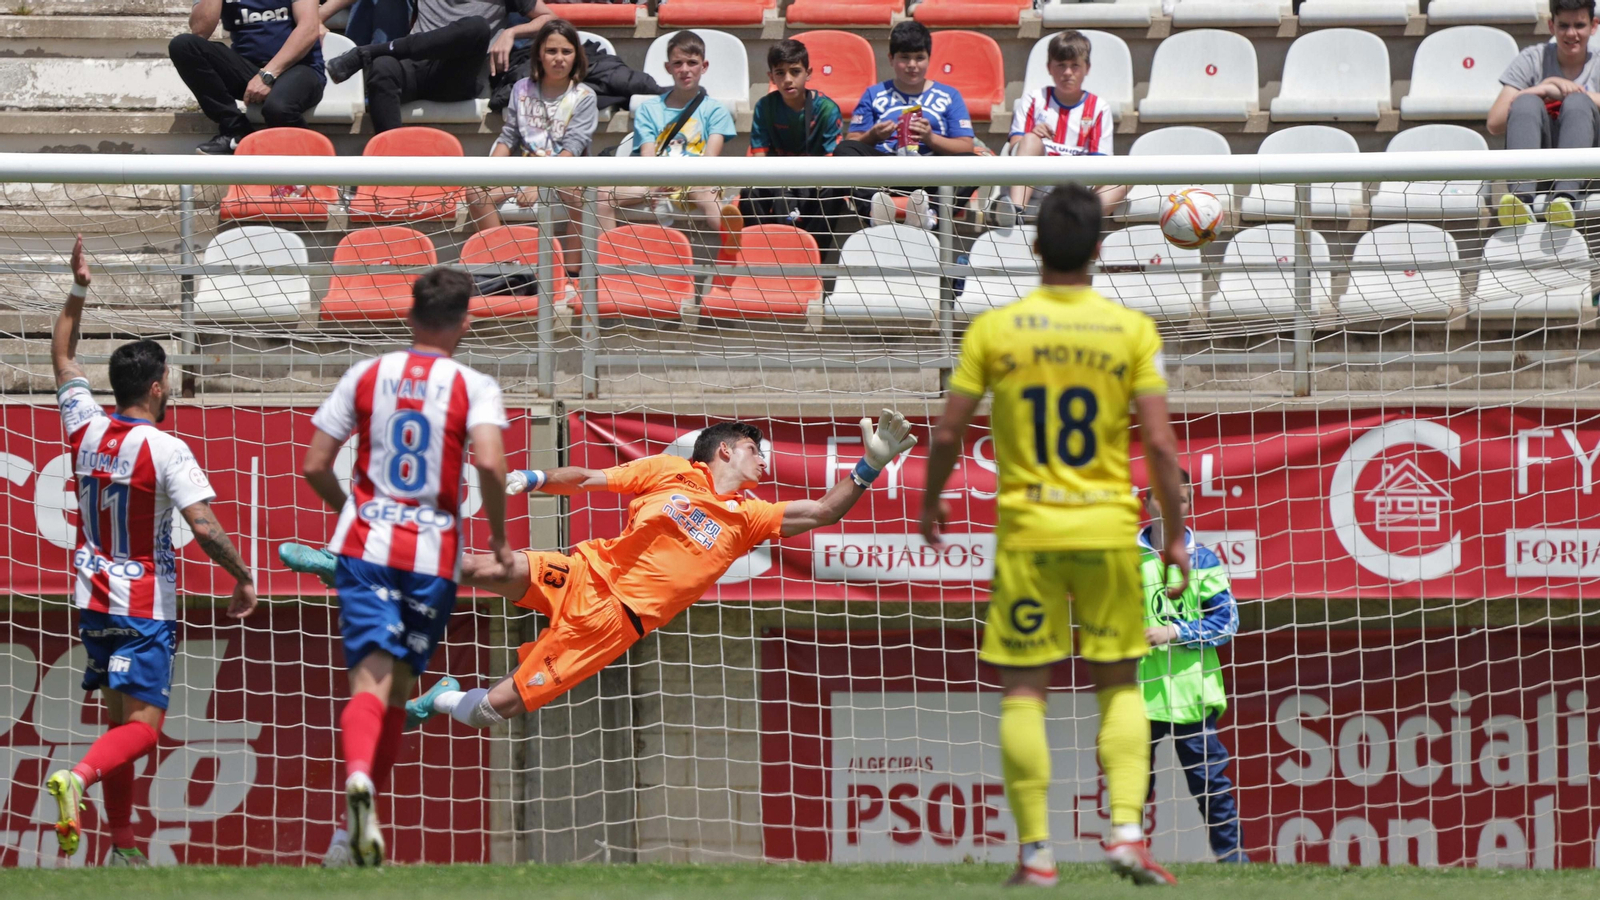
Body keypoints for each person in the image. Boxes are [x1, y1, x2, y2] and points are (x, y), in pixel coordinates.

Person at [281, 415, 917, 740]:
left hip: (615, 625)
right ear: (724, 450)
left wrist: (871, 464)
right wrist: (528, 478)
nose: (763, 458)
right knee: (479, 566)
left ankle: (436, 700)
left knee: (492, 709)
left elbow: (825, 509)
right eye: (755, 447)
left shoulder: (751, 518)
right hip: (586, 571)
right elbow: (583, 478)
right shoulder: (669, 474)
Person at [917, 184, 1188, 887]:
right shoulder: (1132, 332)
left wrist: (931, 500)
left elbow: (947, 431)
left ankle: (1037, 852)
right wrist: (1176, 538)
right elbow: (1160, 448)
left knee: (1024, 691)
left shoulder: (993, 330)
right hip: (1105, 531)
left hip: (1029, 533)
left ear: (1035, 247)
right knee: (1121, 683)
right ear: (1101, 249)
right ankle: (1125, 832)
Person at [282, 267, 514, 866]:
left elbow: (313, 465)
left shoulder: (367, 373)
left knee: (371, 685)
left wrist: (354, 513)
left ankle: (355, 791)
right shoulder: (475, 385)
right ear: (467, 320)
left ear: (409, 316)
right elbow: (490, 464)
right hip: (432, 558)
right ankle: (350, 831)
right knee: (399, 689)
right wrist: (497, 534)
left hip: (368, 549)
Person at [44, 237, 259, 866]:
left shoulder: (82, 423)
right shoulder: (166, 450)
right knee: (144, 729)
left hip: (92, 602)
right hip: (143, 606)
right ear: (161, 386)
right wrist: (242, 576)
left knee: (119, 726)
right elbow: (206, 525)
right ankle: (76, 780)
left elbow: (61, 354)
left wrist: (79, 288)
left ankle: (122, 846)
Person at [1138, 471, 1248, 864]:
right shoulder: (1125, 560)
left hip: (1192, 697)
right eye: (1163, 498)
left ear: (1189, 507)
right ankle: (1129, 861)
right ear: (1145, 501)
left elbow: (1227, 623)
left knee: (1211, 787)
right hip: (1138, 699)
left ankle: (1234, 862)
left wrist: (1175, 632)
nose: (1171, 507)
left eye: (1181, 500)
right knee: (1131, 787)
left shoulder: (1203, 559)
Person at [467, 19, 598, 280]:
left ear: (576, 56)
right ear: (539, 54)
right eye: (551, 51)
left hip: (566, 175)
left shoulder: (585, 97)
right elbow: (509, 137)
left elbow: (572, 149)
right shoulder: (521, 89)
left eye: (566, 52)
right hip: (524, 172)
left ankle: (572, 274)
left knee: (578, 195)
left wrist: (540, 185)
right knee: (476, 192)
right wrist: (487, 173)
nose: (559, 59)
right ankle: (502, 266)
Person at [319, 0, 554, 133]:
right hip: (415, 65)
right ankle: (390, 165)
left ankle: (369, 52)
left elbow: (552, 19)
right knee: (382, 68)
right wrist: (315, 19)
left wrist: (512, 31)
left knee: (477, 27)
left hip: (457, 74)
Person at [595, 30, 739, 238]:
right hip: (654, 179)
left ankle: (733, 241)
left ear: (704, 66)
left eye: (692, 63)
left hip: (695, 180)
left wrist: (679, 179)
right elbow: (648, 156)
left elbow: (709, 161)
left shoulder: (715, 110)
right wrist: (655, 186)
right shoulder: (649, 109)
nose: (685, 70)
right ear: (668, 67)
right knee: (603, 195)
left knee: (707, 194)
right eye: (678, 63)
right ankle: (608, 261)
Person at [838, 20, 976, 230]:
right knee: (843, 151)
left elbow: (965, 146)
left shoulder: (949, 95)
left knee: (974, 163)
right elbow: (853, 142)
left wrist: (931, 139)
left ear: (929, 59)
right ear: (891, 59)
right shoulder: (874, 94)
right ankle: (873, 213)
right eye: (904, 58)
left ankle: (930, 215)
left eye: (919, 58)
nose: (912, 65)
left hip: (931, 171)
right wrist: (874, 135)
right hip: (885, 170)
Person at [1487, 0, 1600, 227]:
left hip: (1590, 172)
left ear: (1593, 26)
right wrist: (1542, 88)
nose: (1571, 34)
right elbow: (1495, 122)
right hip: (1540, 170)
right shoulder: (1532, 59)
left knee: (1578, 103)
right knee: (1526, 102)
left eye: (1579, 25)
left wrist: (1579, 96)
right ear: (1551, 26)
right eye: (1563, 25)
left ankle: (1564, 199)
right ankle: (1521, 201)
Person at [995, 31, 1125, 227]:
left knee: (1127, 176)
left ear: (1087, 68)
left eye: (1075, 66)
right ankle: (1015, 212)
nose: (1067, 73)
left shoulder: (1099, 108)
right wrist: (1033, 136)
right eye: (1061, 65)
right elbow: (1014, 145)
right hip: (1038, 179)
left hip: (1078, 183)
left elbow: (1100, 162)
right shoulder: (1033, 100)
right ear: (1049, 67)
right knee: (1030, 140)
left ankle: (1084, 224)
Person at [168, 0, 326, 155]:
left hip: (300, 68)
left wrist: (267, 75)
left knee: (278, 108)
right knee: (183, 45)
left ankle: (318, 171)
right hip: (249, 70)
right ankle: (235, 130)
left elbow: (308, 28)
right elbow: (200, 31)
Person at [741, 39, 847, 244]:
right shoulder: (765, 106)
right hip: (776, 177)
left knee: (832, 193)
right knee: (750, 191)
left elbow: (830, 162)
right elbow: (760, 157)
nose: (788, 79)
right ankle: (762, 248)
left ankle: (813, 255)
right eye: (780, 73)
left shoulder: (827, 109)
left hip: (816, 178)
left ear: (808, 73)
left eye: (795, 71)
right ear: (771, 77)